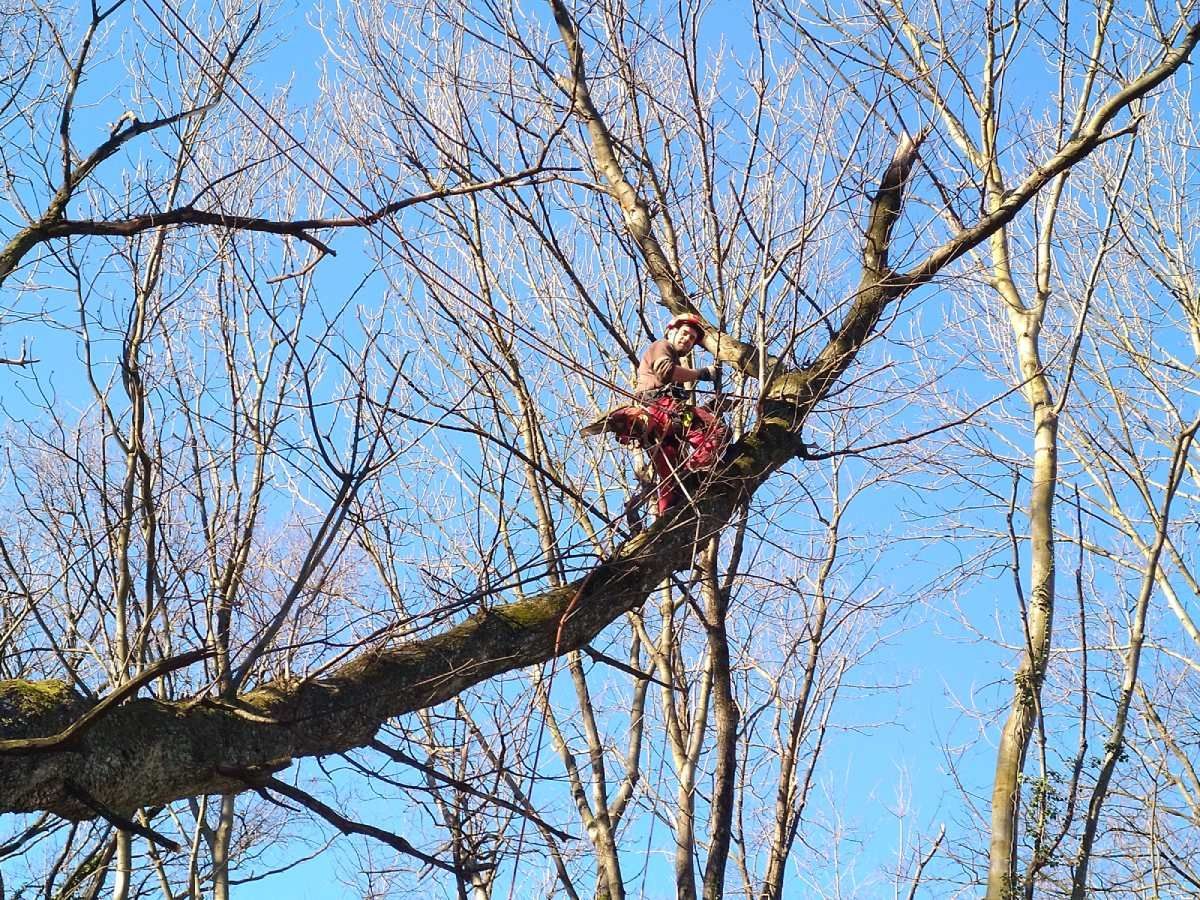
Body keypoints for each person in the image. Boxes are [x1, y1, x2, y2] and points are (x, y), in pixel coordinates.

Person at [632, 313, 728, 515]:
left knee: (669, 476)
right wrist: (701, 374)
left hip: (655, 418)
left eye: (692, 339)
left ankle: (665, 517)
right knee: (716, 430)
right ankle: (694, 475)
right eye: (684, 334)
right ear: (671, 331)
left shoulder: (673, 360)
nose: (688, 340)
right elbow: (665, 371)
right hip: (660, 407)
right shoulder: (662, 345)